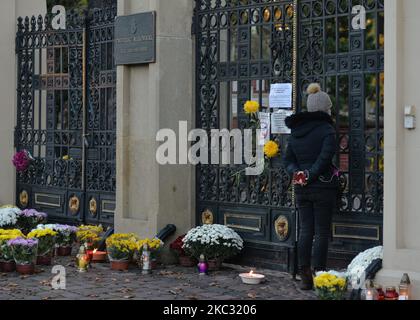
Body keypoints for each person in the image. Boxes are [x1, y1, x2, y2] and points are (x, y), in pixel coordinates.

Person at [283, 83, 339, 290]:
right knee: (322, 232)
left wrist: (298, 174)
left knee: (305, 230)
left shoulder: (296, 131)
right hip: (323, 187)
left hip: (302, 188)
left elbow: (287, 159)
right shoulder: (327, 129)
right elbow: (326, 158)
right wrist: (310, 174)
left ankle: (305, 276)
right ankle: (321, 276)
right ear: (325, 108)